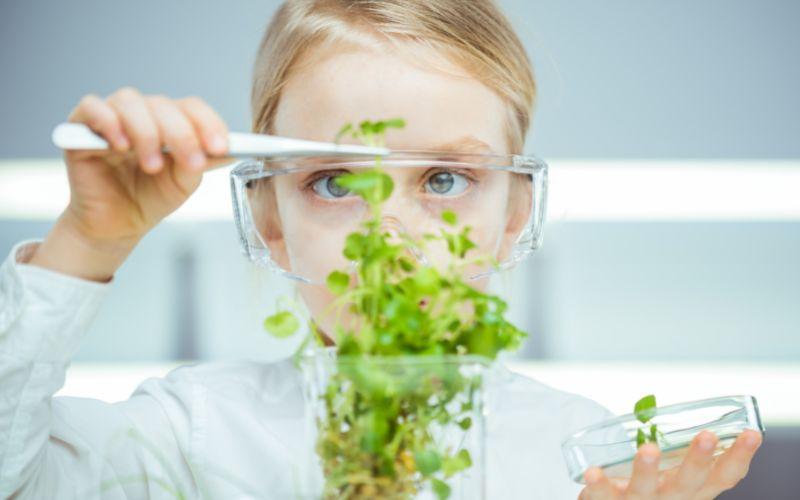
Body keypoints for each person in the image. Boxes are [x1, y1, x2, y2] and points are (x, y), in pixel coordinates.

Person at [0, 1, 761, 498]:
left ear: (513, 212)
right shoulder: (193, 433)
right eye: (335, 183)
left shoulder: (583, 455)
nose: (389, 237)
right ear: (268, 216)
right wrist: (89, 239)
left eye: (445, 179)